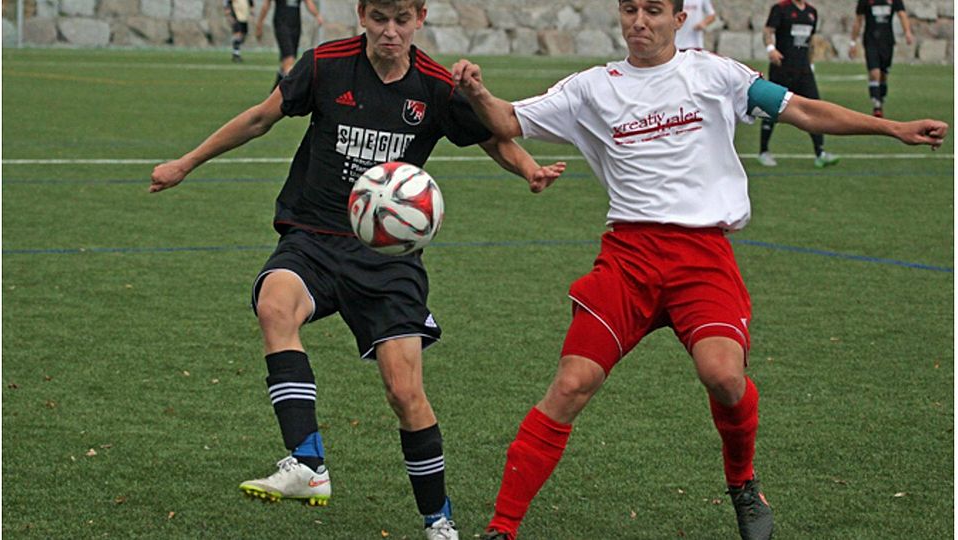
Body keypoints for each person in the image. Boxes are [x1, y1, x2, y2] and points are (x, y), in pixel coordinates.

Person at [450, 0, 947, 538]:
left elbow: (801, 110)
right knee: (570, 385)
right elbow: (504, 121)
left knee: (724, 376)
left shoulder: (715, 75)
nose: (641, 20)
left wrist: (892, 127)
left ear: (679, 19)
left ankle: (742, 482)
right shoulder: (590, 88)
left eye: (654, 10)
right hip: (629, 257)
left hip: (701, 257)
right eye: (631, 9)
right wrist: (477, 90)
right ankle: (502, 527)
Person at [150, 1, 565, 539]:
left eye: (400, 20)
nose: (388, 32)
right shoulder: (325, 64)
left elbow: (490, 135)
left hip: (387, 260)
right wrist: (185, 163)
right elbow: (261, 116)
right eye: (378, 19)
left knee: (403, 390)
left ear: (419, 18)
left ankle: (438, 521)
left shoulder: (435, 86)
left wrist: (529, 168)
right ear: (362, 16)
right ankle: (307, 464)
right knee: (275, 303)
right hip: (314, 239)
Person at [758, 0, 839, 168]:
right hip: (782, 68)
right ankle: (763, 151)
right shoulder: (780, 8)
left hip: (803, 71)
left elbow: (809, 42)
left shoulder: (811, 12)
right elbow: (768, 31)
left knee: (816, 109)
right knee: (771, 108)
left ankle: (820, 153)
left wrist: (811, 64)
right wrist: (771, 49)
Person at [849, 0, 914, 117]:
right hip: (871, 41)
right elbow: (858, 20)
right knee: (874, 73)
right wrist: (853, 42)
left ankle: (881, 98)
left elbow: (902, 14)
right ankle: (876, 105)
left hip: (887, 41)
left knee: (883, 74)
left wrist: (907, 32)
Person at [256, 0, 324, 89]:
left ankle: (274, 92)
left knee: (286, 62)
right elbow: (266, 5)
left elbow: (308, 2)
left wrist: (317, 15)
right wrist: (259, 24)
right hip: (281, 24)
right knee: (289, 59)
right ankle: (289, 95)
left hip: (296, 26)